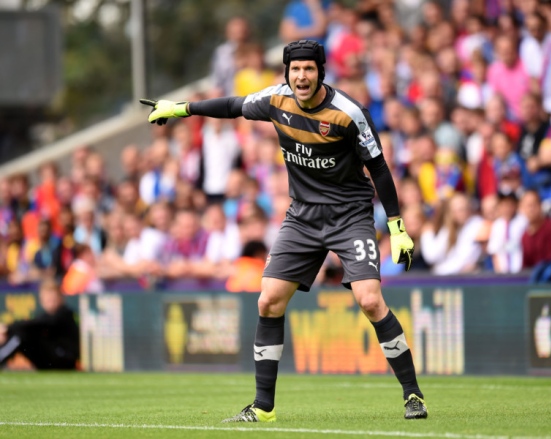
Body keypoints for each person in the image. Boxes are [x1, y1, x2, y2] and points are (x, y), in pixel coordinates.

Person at [140, 40, 426, 421]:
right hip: (302, 217)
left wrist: (396, 225)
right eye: (295, 70)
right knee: (268, 300)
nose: (301, 76)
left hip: (350, 216)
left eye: (308, 69)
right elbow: (232, 106)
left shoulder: (348, 113)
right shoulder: (277, 100)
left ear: (320, 72)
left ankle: (413, 395)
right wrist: (180, 109)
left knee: (371, 301)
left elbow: (379, 169)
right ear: (287, 73)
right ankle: (263, 408)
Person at [0, 277, 79, 370]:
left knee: (21, 335)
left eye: (53, 299)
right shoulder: (45, 315)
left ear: (61, 298)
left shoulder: (64, 314)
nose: (50, 302)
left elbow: (40, 324)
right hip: (50, 361)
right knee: (21, 333)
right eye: (47, 299)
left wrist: (7, 328)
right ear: (42, 300)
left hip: (64, 361)